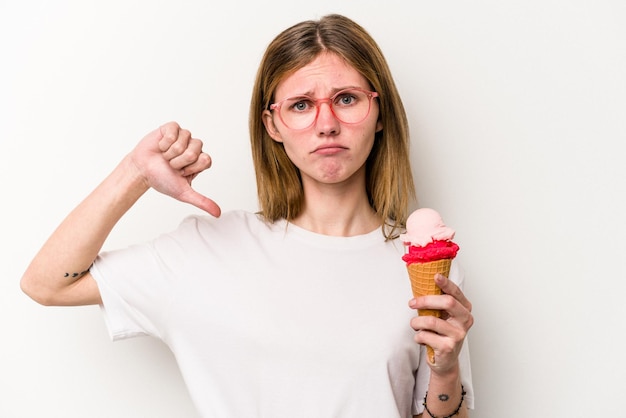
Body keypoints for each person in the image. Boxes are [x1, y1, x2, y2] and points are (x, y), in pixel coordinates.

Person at [21, 14, 474, 418]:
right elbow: (46, 284)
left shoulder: (422, 264)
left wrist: (447, 371)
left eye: (347, 98)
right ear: (272, 125)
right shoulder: (208, 250)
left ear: (379, 113)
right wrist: (135, 173)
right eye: (300, 105)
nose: (326, 122)